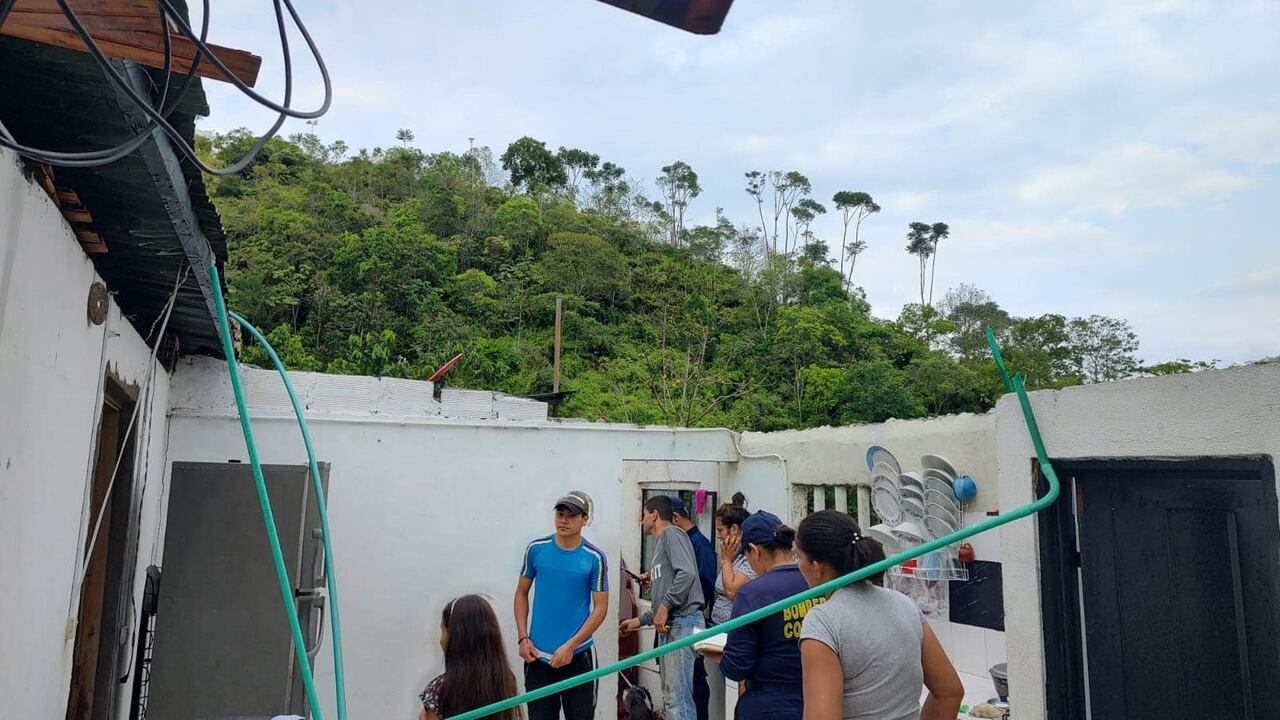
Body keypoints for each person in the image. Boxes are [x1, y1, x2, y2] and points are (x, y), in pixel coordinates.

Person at [795, 510, 964, 720]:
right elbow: (949, 693)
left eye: (798, 557)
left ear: (817, 566)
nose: (797, 565)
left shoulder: (823, 622)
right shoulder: (905, 604)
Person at [706, 510, 814, 720]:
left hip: (767, 703)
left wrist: (719, 654)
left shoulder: (752, 594)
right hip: (814, 699)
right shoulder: (814, 583)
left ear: (754, 551)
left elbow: (736, 668)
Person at [514, 491, 610, 720]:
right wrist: (522, 638)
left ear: (585, 520)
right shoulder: (536, 549)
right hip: (537, 656)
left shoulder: (594, 557)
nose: (564, 520)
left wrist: (571, 645)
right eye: (560, 514)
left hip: (577, 656)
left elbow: (600, 608)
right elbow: (521, 593)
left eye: (571, 516)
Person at [619, 495, 705, 720]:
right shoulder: (660, 545)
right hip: (672, 625)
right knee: (671, 698)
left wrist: (665, 605)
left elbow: (686, 573)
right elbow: (659, 607)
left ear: (654, 514)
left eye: (644, 515)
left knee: (678, 699)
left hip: (682, 622)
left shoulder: (671, 533)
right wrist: (637, 622)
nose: (642, 521)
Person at [418, 594, 522, 720]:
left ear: (455, 639)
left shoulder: (438, 690)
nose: (441, 640)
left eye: (443, 631)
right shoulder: (506, 680)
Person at [669, 495, 717, 720]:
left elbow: (704, 586)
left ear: (676, 518)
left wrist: (676, 600)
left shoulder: (699, 545)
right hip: (673, 625)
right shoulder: (681, 541)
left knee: (693, 687)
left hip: (691, 622)